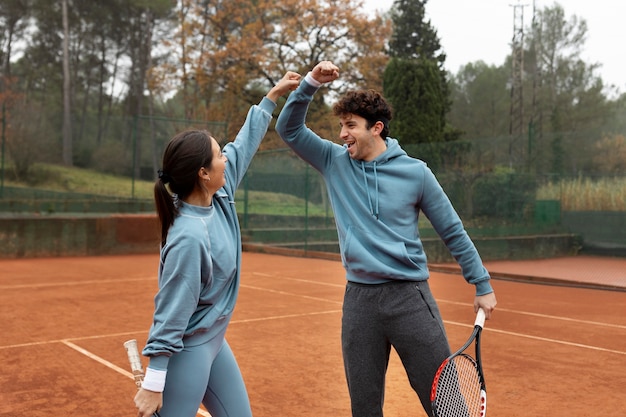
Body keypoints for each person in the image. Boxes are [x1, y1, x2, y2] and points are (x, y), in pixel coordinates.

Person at [275, 61, 497, 417]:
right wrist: (312, 82)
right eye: (341, 125)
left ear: (376, 128)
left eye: (351, 125)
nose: (343, 134)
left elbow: (452, 230)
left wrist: (481, 282)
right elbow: (288, 128)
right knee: (364, 408)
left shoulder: (416, 173)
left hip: (410, 299)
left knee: (447, 405)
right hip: (359, 303)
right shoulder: (334, 161)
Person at [133, 71, 301, 417]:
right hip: (188, 350)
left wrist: (272, 95)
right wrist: (154, 381)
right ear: (203, 173)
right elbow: (172, 308)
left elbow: (243, 145)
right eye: (217, 155)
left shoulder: (220, 196)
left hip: (214, 341)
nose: (225, 157)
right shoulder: (188, 237)